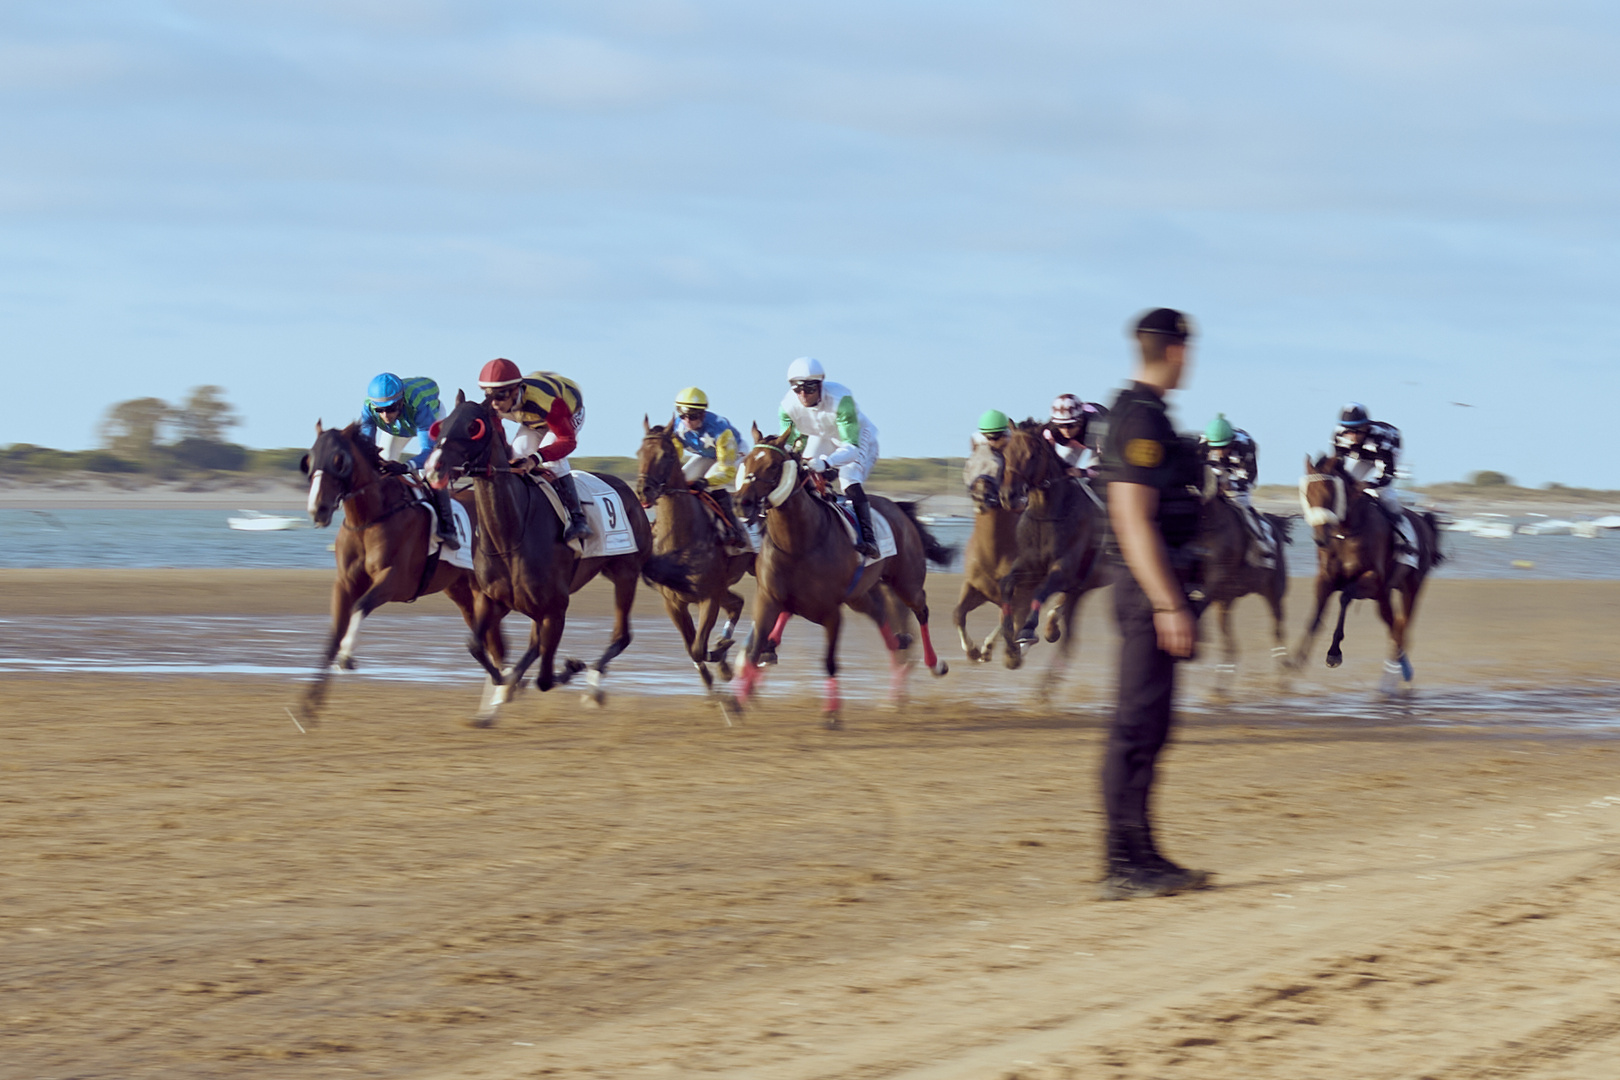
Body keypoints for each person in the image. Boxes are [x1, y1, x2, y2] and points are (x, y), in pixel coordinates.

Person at [1095, 307, 1211, 901]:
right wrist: (1168, 604)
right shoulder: (1139, 417)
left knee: (1154, 726)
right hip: (1147, 591)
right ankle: (1120, 864)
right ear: (1175, 351)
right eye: (1189, 349)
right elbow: (1131, 517)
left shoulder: (1149, 414)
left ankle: (1144, 853)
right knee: (1135, 726)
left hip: (1157, 587)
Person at [477, 359, 590, 544]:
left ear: (515, 390)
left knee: (551, 460)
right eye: (490, 396)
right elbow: (500, 439)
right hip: (533, 418)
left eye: (501, 396)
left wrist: (537, 458)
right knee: (517, 453)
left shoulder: (548, 402)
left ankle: (578, 518)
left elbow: (567, 441)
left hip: (566, 414)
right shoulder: (493, 406)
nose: (495, 403)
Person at [778, 357, 881, 558]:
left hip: (855, 437)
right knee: (806, 475)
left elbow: (850, 448)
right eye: (797, 390)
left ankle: (870, 540)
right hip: (821, 435)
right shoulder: (787, 406)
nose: (803, 395)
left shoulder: (841, 400)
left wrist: (827, 463)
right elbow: (789, 446)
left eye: (809, 389)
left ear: (820, 385)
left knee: (848, 478)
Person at [357, 372, 459, 549]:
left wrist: (406, 466)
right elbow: (367, 450)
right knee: (383, 464)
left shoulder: (419, 406)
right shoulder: (368, 408)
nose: (385, 415)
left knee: (430, 470)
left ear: (401, 401)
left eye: (390, 408)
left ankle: (448, 527)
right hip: (398, 427)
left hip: (430, 418)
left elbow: (427, 451)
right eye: (380, 410)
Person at [1332, 403, 1416, 566]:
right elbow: (1338, 468)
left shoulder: (1381, 439)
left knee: (1384, 495)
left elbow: (1388, 475)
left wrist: (1367, 485)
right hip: (1361, 456)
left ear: (1366, 426)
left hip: (1386, 452)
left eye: (1357, 430)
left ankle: (1406, 540)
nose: (1353, 435)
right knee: (1344, 488)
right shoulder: (1338, 437)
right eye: (1349, 431)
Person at [670, 386, 748, 546]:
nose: (687, 421)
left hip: (733, 453)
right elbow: (674, 459)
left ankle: (733, 529)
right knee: (683, 480)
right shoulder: (677, 427)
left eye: (692, 416)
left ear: (703, 414)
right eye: (683, 415)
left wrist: (706, 482)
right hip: (707, 454)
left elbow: (726, 470)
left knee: (709, 484)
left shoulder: (720, 431)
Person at [1200, 414, 1276, 569]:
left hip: (1239, 470)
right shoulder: (1201, 446)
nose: (1220, 452)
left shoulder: (1245, 446)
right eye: (1216, 448)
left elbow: (1249, 478)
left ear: (1231, 442)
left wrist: (1228, 485)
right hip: (1214, 470)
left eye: (1224, 447)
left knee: (1242, 504)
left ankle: (1264, 543)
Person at [1044, 394, 1108, 477]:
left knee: (1095, 476)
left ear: (1080, 421)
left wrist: (1083, 473)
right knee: (1061, 473)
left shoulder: (1097, 428)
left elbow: (1106, 466)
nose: (1066, 430)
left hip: (1102, 437)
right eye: (1060, 426)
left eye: (1070, 425)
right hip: (1078, 441)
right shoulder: (1051, 430)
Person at [963, 409, 1012, 511]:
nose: (992, 442)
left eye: (996, 438)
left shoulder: (1011, 443)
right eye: (989, 438)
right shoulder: (980, 449)